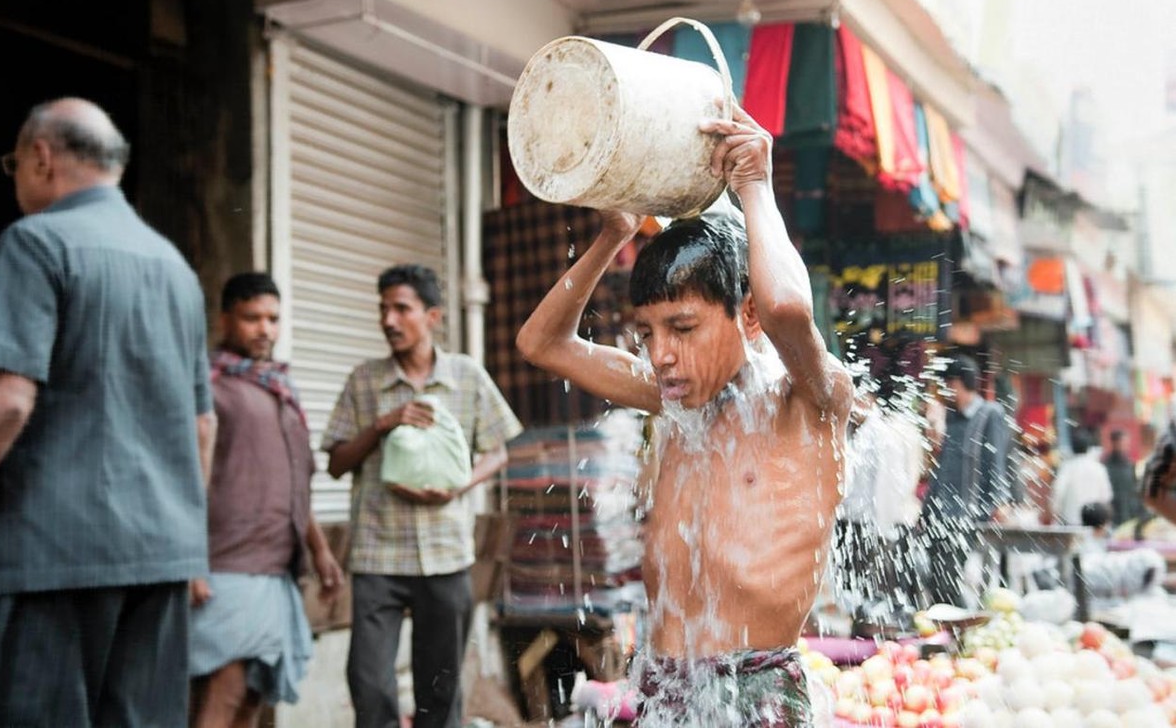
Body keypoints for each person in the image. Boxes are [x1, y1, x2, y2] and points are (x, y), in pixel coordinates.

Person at [517, 102, 853, 726]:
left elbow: (785, 308)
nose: (661, 355)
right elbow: (542, 344)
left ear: (744, 317)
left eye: (684, 327)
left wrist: (755, 187)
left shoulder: (811, 400)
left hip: (754, 689)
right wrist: (611, 236)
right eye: (646, 332)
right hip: (661, 682)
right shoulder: (675, 401)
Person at [0, 98, 216, 726]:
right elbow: (202, 426)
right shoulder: (176, 269)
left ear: (42, 157)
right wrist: (188, 547)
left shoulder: (35, 244)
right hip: (162, 558)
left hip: (51, 558)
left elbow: (4, 404)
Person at [322, 264, 522, 728]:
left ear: (432, 316)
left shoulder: (467, 376)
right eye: (383, 309)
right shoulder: (364, 381)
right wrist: (382, 424)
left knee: (441, 693)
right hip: (377, 557)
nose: (389, 320)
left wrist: (458, 486)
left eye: (401, 309)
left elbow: (497, 452)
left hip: (446, 555)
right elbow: (335, 464)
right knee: (370, 687)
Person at [189, 272, 344, 727]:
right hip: (227, 565)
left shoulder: (281, 388)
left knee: (255, 698)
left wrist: (320, 550)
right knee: (223, 692)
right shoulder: (209, 385)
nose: (264, 330)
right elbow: (185, 478)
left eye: (273, 319)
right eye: (252, 318)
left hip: (278, 569)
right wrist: (191, 562)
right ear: (225, 320)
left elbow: (294, 482)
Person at [919, 356, 1012, 608]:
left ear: (960, 384)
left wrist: (1000, 500)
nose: (948, 392)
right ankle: (950, 627)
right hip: (939, 512)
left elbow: (996, 459)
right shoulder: (951, 417)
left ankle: (964, 623)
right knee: (934, 576)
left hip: (968, 513)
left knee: (948, 577)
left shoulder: (990, 413)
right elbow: (940, 465)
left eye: (950, 385)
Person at [834, 384, 925, 612]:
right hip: (850, 519)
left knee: (876, 587)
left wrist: (883, 529)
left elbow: (888, 485)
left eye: (857, 400)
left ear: (870, 399)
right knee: (850, 585)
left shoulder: (882, 434)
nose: (853, 407)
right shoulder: (851, 429)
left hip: (873, 522)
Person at [1049, 426, 1113, 526]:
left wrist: (1055, 511)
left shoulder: (1067, 467)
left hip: (1070, 521)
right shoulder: (1098, 468)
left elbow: (1058, 491)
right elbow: (1106, 496)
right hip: (1094, 521)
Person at [1106, 428, 1143, 526]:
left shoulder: (1131, 466)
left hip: (1131, 514)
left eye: (1127, 443)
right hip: (1113, 515)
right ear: (1114, 443)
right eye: (1123, 443)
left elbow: (1137, 491)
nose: (1126, 446)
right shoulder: (1105, 467)